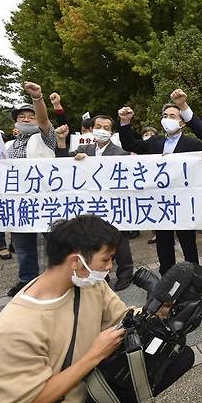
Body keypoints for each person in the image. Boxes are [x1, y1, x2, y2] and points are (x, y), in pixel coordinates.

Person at [0, 215, 128, 403]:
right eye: (106, 259)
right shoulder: (14, 330)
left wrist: (159, 310)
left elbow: (122, 317)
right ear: (76, 261)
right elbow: (29, 400)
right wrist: (95, 355)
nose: (110, 266)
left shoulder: (90, 285)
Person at [118, 89, 202, 276]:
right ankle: (167, 275)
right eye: (165, 115)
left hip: (182, 202)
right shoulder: (153, 142)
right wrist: (125, 122)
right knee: (164, 242)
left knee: (187, 242)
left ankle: (193, 275)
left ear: (182, 122)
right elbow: (129, 145)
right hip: (160, 202)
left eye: (172, 116)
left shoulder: (193, 145)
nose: (168, 118)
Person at [54, 115, 135, 291]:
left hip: (113, 202)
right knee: (95, 239)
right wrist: (61, 142)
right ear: (91, 129)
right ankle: (99, 274)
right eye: (98, 126)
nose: (102, 130)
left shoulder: (120, 152)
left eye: (106, 128)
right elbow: (62, 163)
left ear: (112, 132)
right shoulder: (83, 149)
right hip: (91, 203)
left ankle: (126, 273)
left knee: (119, 239)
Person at [3, 82, 58, 297]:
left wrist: (37, 99)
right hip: (18, 203)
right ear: (15, 122)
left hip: (45, 200)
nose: (26, 119)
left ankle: (58, 277)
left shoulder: (45, 137)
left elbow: (44, 120)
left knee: (55, 240)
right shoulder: (7, 146)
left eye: (30, 116)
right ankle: (28, 280)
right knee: (23, 244)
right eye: (21, 117)